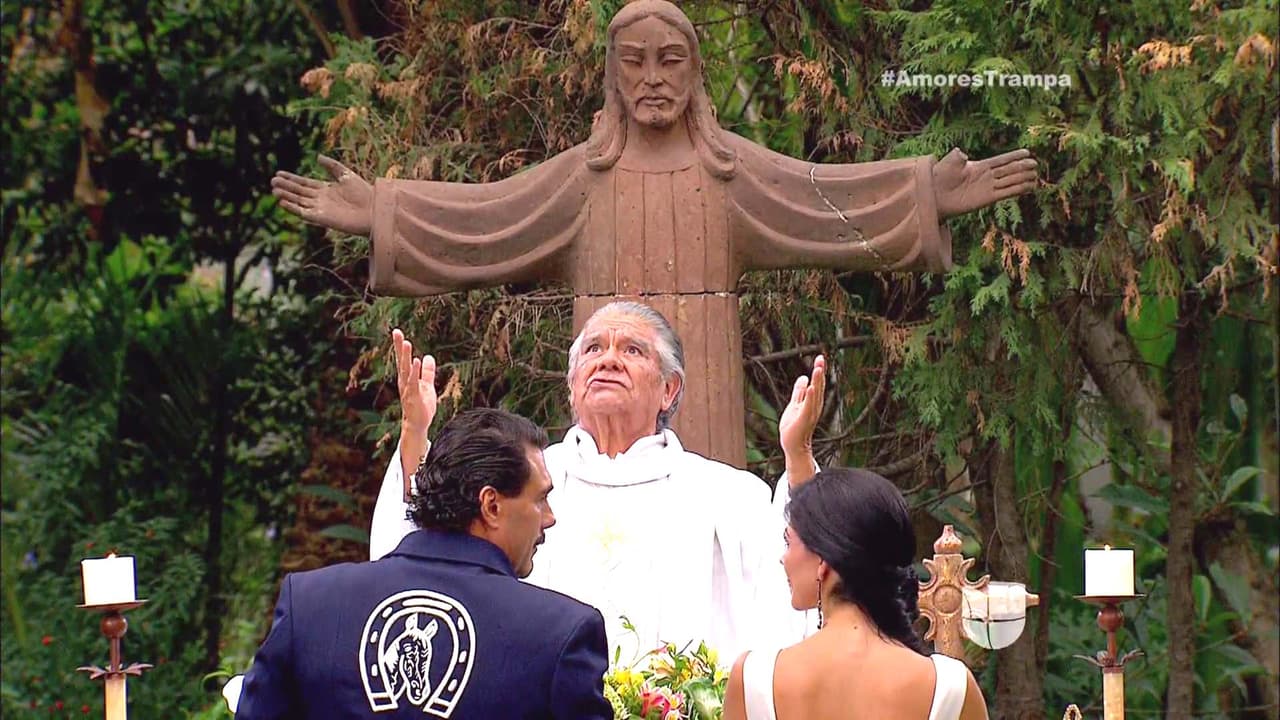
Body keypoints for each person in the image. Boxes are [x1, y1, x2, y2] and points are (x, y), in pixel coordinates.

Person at [269, 0, 1037, 466]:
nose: (652, 77)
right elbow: (488, 218)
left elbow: (823, 204)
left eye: (670, 60)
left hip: (704, 403)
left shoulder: (731, 173)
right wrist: (381, 212)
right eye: (633, 63)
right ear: (612, 76)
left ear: (695, 73)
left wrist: (926, 191)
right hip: (600, 421)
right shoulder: (582, 179)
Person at [371, 301, 827, 664]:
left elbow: (796, 592)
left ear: (669, 390)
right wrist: (415, 435)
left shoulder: (727, 495)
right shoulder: (515, 487)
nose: (607, 359)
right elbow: (425, 563)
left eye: (631, 350)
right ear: (572, 387)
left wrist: (798, 454)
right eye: (593, 350)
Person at [235, 409, 612, 719]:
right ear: (491, 505)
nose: (549, 517)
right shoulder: (562, 634)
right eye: (540, 499)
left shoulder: (310, 602)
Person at [722, 468, 988, 720]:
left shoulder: (754, 680)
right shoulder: (950, 687)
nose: (783, 558)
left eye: (788, 542)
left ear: (823, 560)